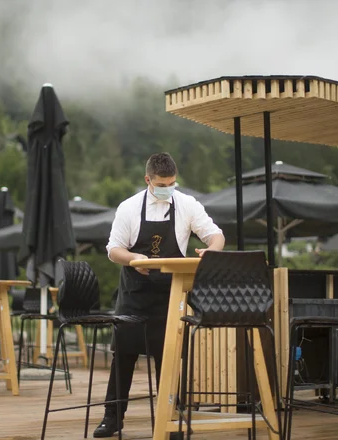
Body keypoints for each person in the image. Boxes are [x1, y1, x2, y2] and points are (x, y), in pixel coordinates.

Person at [93, 152, 225, 438]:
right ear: (148, 180)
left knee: (169, 356)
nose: (168, 188)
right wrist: (133, 258)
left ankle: (171, 418)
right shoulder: (128, 208)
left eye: (172, 183)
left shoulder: (187, 204)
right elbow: (113, 249)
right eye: (162, 183)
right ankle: (112, 417)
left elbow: (216, 235)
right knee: (124, 354)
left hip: (171, 293)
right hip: (135, 292)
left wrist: (210, 251)